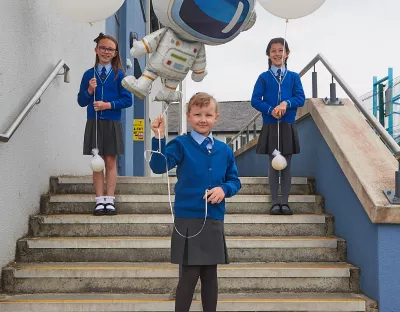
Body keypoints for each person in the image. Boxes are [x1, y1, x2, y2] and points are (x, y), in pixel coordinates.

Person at [149, 92, 241, 312]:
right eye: (197, 114)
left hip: (213, 218)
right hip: (187, 219)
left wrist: (224, 189)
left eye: (208, 114)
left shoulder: (224, 150)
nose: (203, 119)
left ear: (216, 117)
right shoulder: (180, 144)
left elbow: (234, 180)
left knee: (210, 276)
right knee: (189, 275)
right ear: (188, 116)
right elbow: (158, 166)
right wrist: (159, 138)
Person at [77, 33, 132, 216]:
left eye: (110, 49)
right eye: (103, 48)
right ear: (96, 50)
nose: (106, 52)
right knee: (96, 161)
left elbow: (127, 100)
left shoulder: (120, 75)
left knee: (110, 161)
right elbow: (81, 101)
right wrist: (89, 90)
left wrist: (108, 105)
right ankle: (99, 201)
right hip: (94, 123)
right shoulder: (88, 74)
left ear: (115, 53)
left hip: (111, 123)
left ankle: (110, 199)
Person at [251, 37, 305, 215]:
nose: (277, 53)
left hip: (287, 125)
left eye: (281, 50)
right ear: (268, 54)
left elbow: (300, 98)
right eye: (273, 50)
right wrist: (270, 109)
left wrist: (285, 104)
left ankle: (285, 202)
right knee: (274, 163)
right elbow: (255, 100)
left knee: (287, 164)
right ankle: (275, 202)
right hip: (271, 126)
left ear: (287, 54)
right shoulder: (263, 78)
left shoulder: (294, 77)